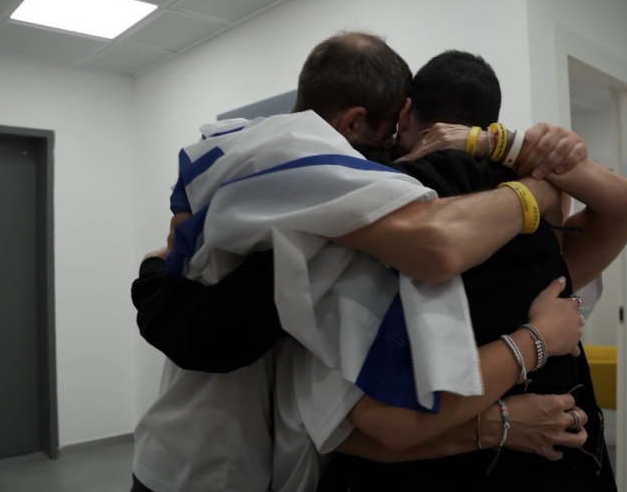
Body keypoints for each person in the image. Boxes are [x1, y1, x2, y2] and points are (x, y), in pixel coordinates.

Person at [129, 32, 587, 492]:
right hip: (207, 465)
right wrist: (540, 186)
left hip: (232, 447)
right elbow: (436, 244)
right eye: (389, 133)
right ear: (353, 122)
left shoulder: (246, 153)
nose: (395, 153)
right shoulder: (311, 169)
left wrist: (515, 148)